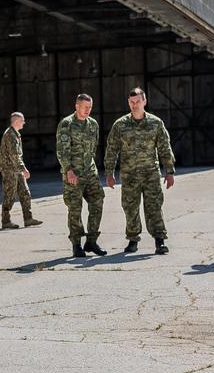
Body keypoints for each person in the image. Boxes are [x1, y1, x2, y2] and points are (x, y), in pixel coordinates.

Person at [104, 86, 175, 254]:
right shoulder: (120, 125)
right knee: (130, 208)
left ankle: (160, 241)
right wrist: (109, 172)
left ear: (144, 101)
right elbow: (112, 149)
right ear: (129, 103)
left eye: (138, 101)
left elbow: (165, 148)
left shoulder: (156, 123)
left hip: (151, 174)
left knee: (154, 207)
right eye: (132, 102)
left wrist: (170, 171)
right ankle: (133, 240)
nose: (135, 105)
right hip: (129, 176)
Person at [57, 93, 106, 258]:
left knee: (97, 201)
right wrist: (68, 170)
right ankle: (76, 244)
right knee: (75, 208)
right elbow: (62, 151)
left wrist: (91, 167)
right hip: (73, 173)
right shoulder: (67, 124)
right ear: (77, 106)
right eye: (84, 107)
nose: (87, 110)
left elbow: (93, 148)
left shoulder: (93, 124)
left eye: (90, 107)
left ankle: (91, 241)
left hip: (90, 172)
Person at [0, 112, 42, 229]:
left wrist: (21, 169)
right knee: (9, 196)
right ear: (16, 121)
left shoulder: (15, 133)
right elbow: (14, 155)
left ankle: (28, 219)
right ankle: (6, 221)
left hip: (16, 169)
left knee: (25, 193)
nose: (24, 123)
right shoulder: (10, 135)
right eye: (22, 121)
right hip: (9, 170)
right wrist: (24, 169)